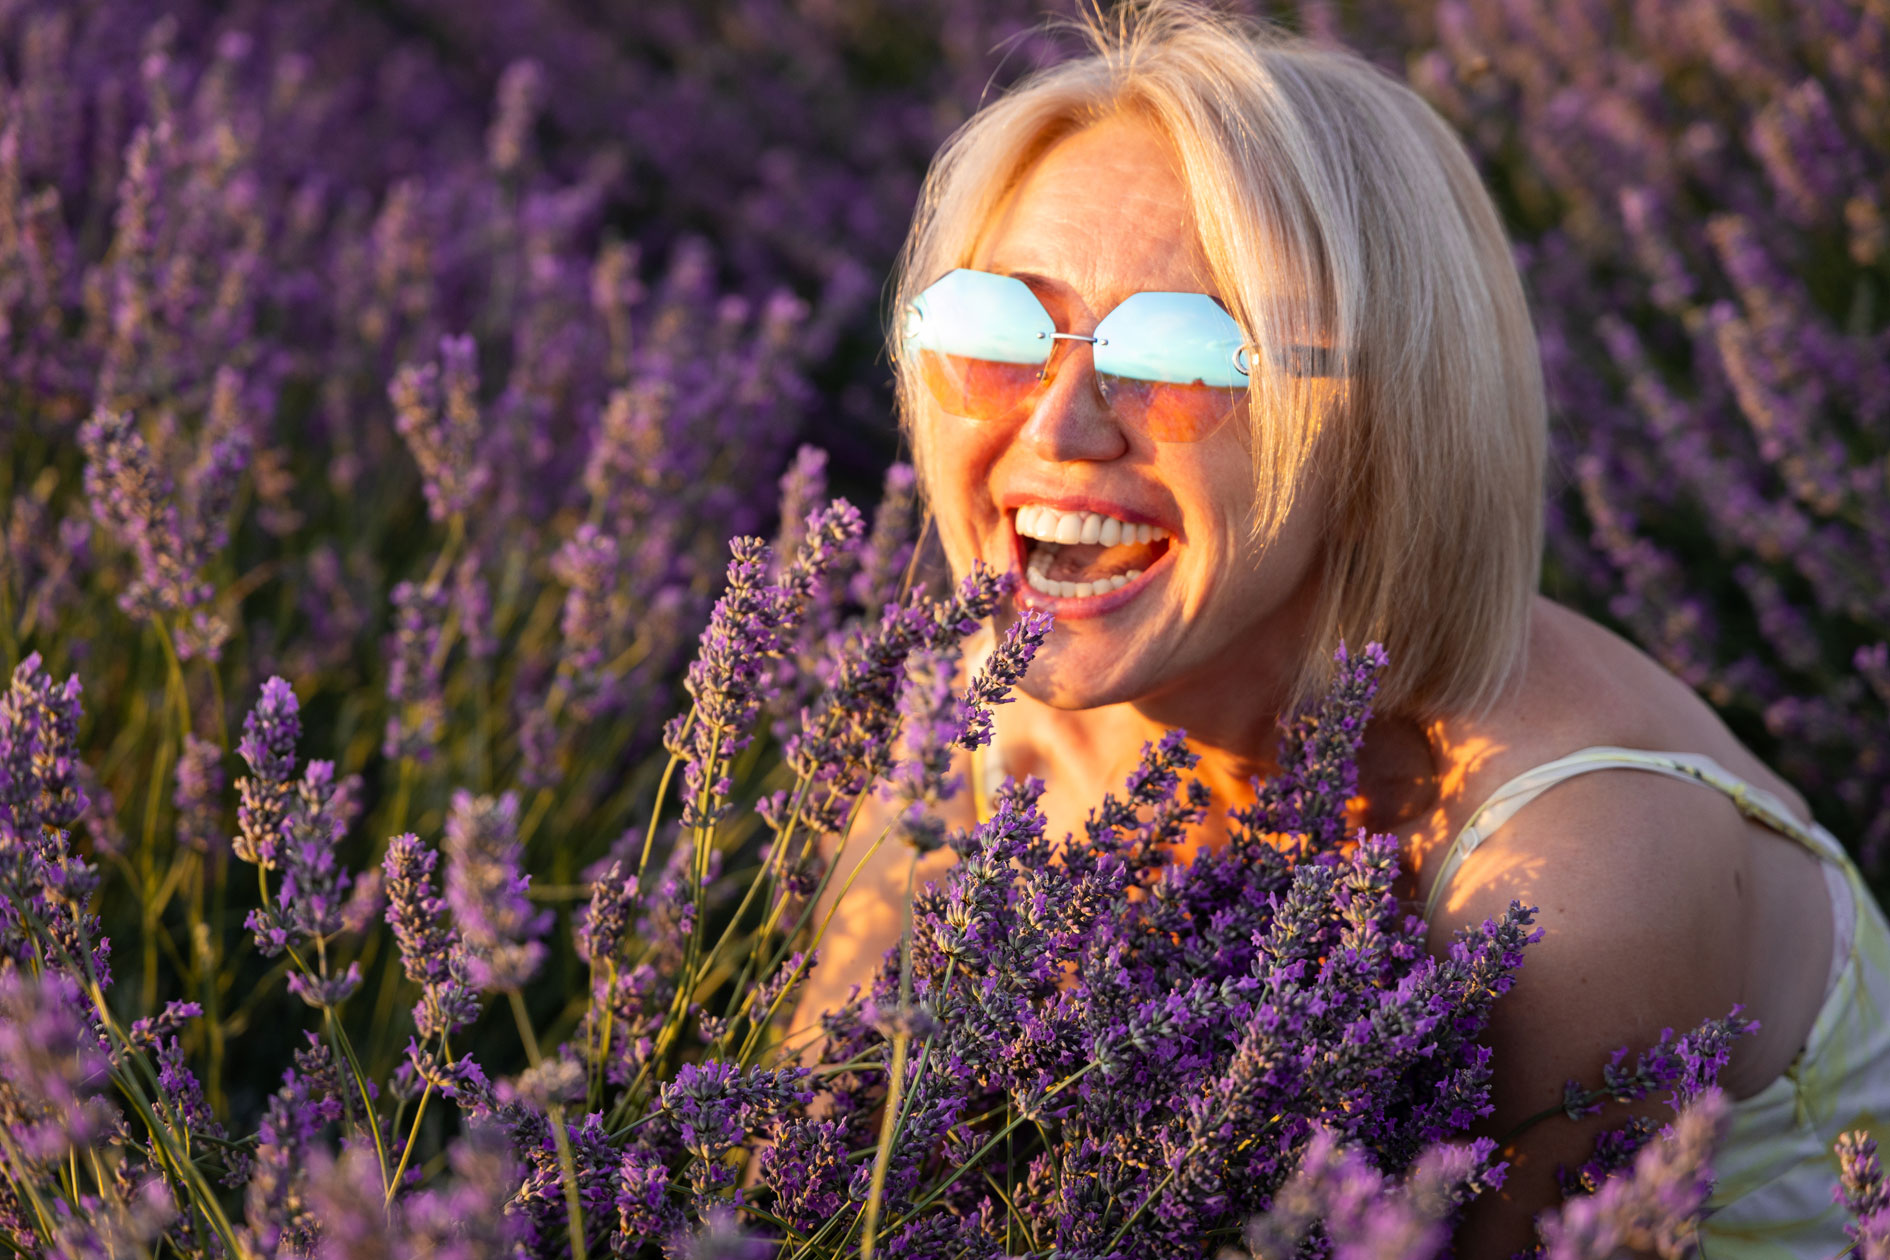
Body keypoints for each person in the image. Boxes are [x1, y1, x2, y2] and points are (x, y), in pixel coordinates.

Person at [790, 4, 1890, 1257]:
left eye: (1188, 350)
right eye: (996, 327)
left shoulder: (1573, 880)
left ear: (1383, 419)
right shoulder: (977, 718)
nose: (1058, 428)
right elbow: (802, 1179)